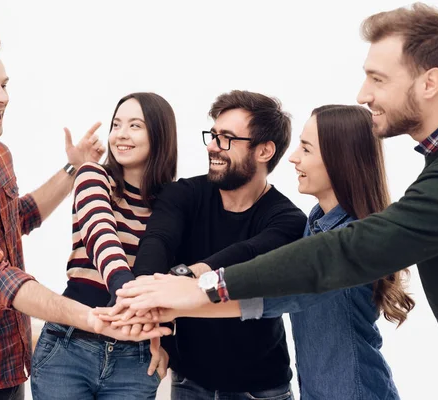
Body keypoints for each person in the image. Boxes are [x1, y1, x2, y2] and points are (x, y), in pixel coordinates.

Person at [114, 4, 438, 399]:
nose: (363, 94)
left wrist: (199, 288)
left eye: (378, 79)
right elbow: (273, 294)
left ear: (430, 82)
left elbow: (329, 260)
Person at [0, 28, 166, 400]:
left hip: (9, 361)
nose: (2, 97)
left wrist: (74, 169)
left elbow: (18, 217)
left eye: (3, 85)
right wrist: (93, 318)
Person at [113, 105, 415, 399]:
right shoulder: (315, 224)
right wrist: (159, 305)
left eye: (307, 149)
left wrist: (175, 299)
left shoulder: (349, 241)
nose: (294, 158)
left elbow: (268, 295)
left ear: (341, 160)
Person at [124, 90, 307, 399]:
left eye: (226, 138)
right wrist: (147, 306)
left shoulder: (288, 220)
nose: (212, 146)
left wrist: (186, 277)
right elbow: (157, 243)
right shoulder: (182, 195)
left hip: (261, 389)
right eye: (213, 135)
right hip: (190, 383)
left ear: (264, 151)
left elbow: (246, 254)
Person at [31, 92, 177, 400]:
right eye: (117, 124)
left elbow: (173, 278)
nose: (121, 134)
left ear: (160, 134)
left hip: (134, 358)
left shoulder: (173, 201)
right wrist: (124, 288)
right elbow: (100, 233)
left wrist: (166, 342)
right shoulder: (93, 175)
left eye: (135, 125)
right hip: (69, 347)